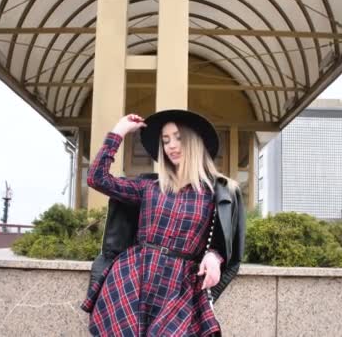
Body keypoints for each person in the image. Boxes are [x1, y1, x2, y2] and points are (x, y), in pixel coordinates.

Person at [80, 109, 246, 336]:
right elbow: (97, 178)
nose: (171, 146)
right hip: (133, 276)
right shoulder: (148, 188)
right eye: (166, 140)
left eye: (178, 137)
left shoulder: (217, 193)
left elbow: (224, 241)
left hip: (178, 286)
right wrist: (119, 131)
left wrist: (214, 256)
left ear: (194, 141)